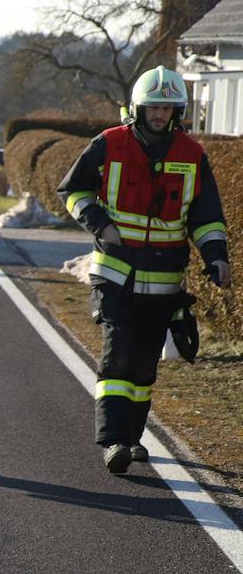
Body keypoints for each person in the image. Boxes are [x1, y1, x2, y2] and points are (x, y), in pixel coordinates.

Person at [56, 66, 231, 474]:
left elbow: (206, 216)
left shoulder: (192, 154)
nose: (159, 114)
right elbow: (74, 190)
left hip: (165, 280)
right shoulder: (109, 144)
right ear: (138, 107)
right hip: (114, 272)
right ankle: (113, 440)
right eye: (153, 106)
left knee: (144, 366)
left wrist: (216, 257)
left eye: (167, 107)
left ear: (177, 111)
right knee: (118, 353)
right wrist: (101, 225)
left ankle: (132, 438)